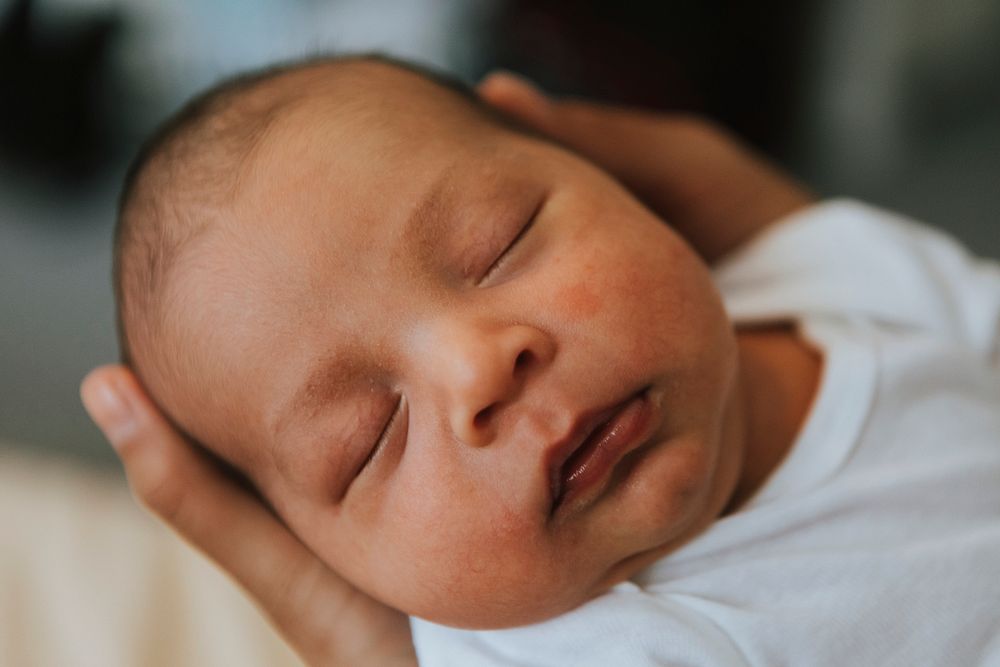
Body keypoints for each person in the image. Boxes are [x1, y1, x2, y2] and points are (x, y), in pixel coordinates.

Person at [81, 56, 1000, 666]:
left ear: (604, 171)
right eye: (369, 440)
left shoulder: (820, 272)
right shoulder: (585, 641)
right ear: (334, 562)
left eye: (500, 243)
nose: (481, 368)